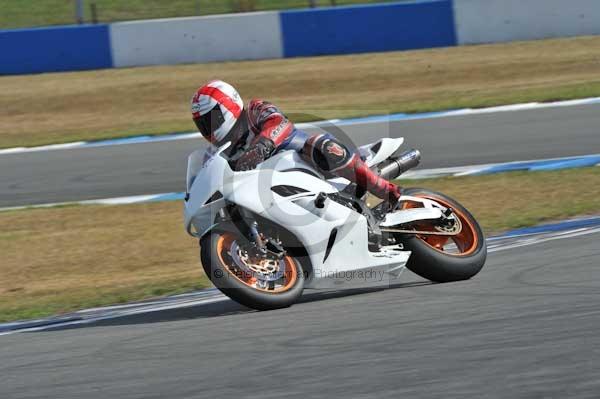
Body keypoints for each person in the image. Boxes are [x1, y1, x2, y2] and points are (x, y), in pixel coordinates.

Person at [191, 80, 402, 207]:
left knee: (320, 146)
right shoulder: (220, 152)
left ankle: (385, 190)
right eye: (203, 124)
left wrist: (262, 145)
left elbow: (279, 122)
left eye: (212, 119)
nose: (209, 128)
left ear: (230, 105)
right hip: (272, 192)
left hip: (311, 165)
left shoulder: (255, 111)